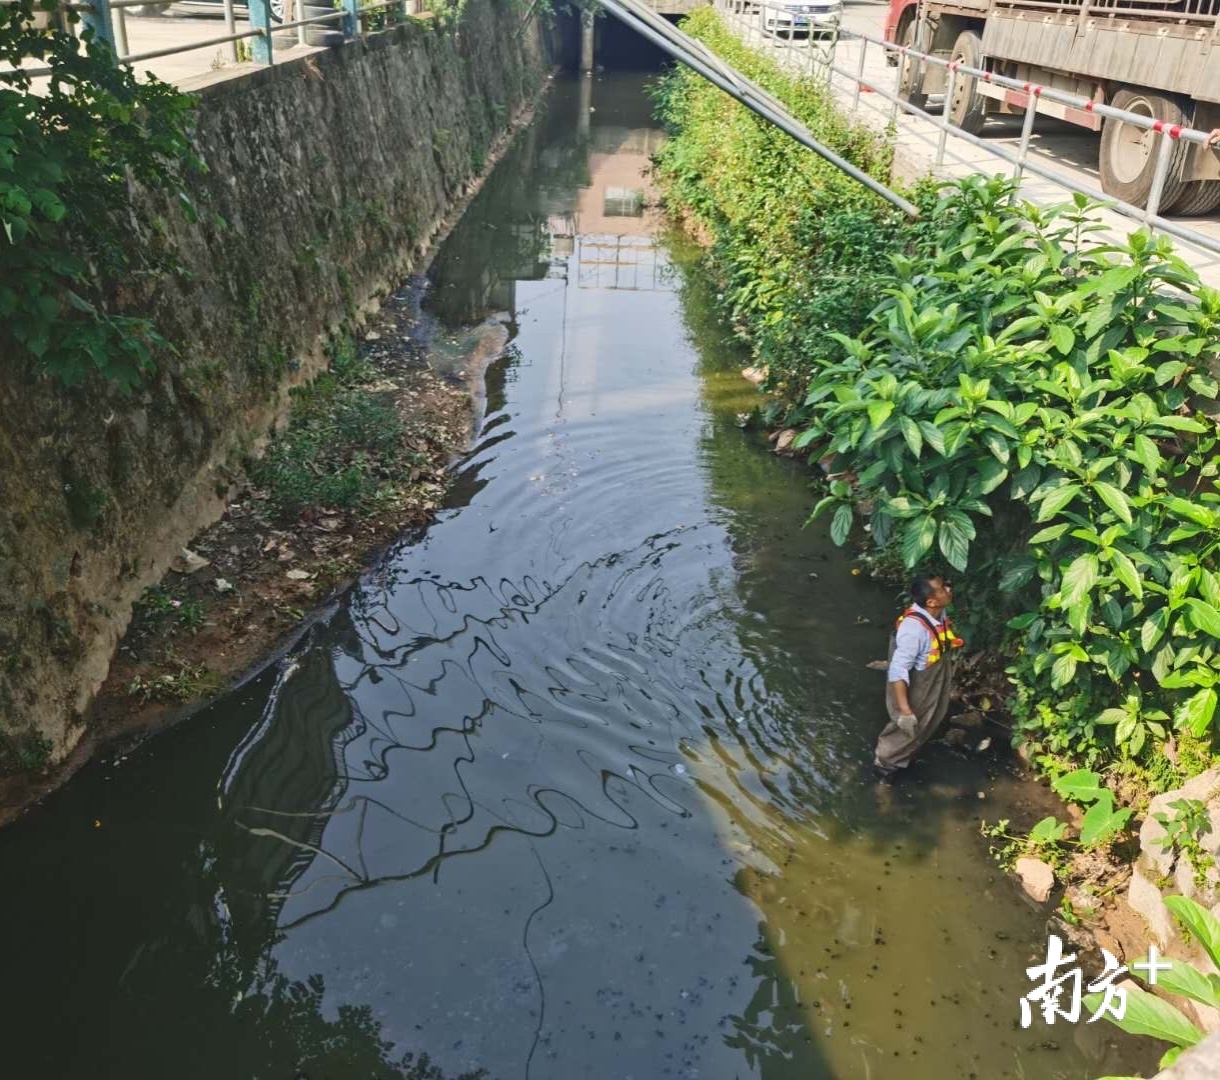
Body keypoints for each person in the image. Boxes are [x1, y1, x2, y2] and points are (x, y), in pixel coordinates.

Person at [874, 573, 964, 782]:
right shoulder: (913, 631)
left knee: (931, 716)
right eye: (943, 589)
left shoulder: (936, 611)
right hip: (919, 680)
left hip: (933, 671)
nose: (949, 589)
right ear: (931, 601)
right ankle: (884, 771)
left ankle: (906, 756)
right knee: (908, 726)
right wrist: (905, 711)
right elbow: (897, 671)